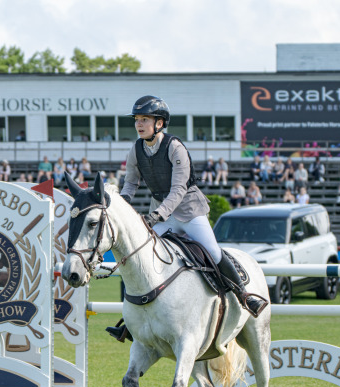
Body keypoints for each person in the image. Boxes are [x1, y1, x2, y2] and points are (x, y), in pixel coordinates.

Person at [108, 95, 267, 343]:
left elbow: (179, 189)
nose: (139, 124)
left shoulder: (175, 147)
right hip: (161, 210)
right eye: (137, 120)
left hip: (188, 211)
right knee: (139, 256)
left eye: (145, 119)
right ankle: (130, 322)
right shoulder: (136, 149)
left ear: (159, 123)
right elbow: (130, 183)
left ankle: (245, 296)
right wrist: (123, 204)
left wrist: (159, 214)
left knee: (213, 253)